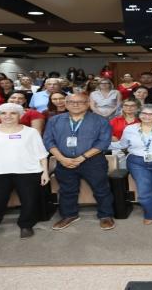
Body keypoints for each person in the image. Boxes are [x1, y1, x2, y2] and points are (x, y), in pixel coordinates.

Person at [0, 103, 50, 241]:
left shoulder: (31, 132)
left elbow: (41, 154)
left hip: (28, 171)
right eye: (3, 113)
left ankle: (26, 225)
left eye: (13, 113)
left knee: (29, 201)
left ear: (20, 115)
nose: (8, 116)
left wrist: (45, 172)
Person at [43, 94, 116, 231]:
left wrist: (82, 157)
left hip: (93, 161)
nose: (75, 105)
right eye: (71, 102)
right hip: (64, 161)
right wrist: (61, 158)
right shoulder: (54, 120)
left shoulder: (100, 120)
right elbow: (48, 141)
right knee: (66, 190)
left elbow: (103, 142)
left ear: (88, 103)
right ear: (65, 103)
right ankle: (69, 215)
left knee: (101, 189)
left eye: (80, 102)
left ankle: (106, 215)